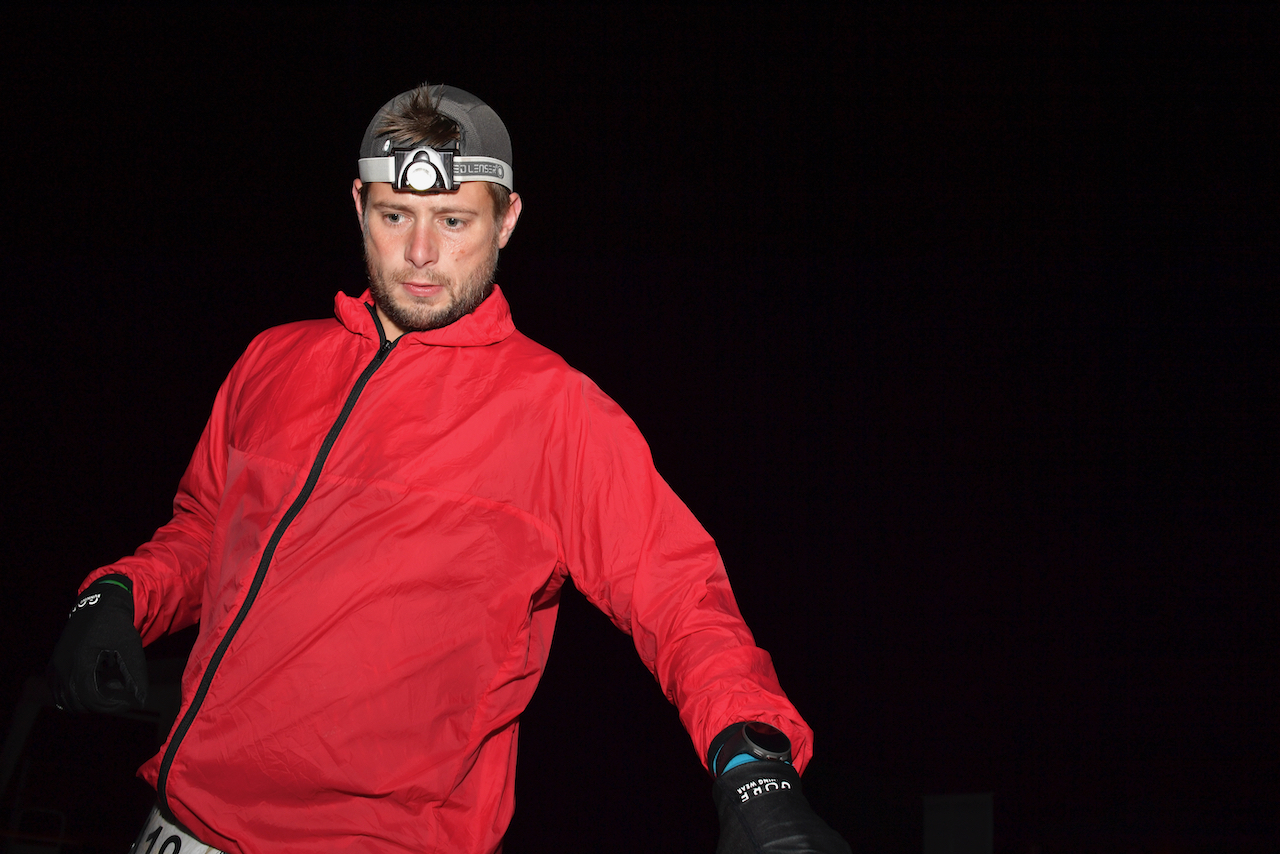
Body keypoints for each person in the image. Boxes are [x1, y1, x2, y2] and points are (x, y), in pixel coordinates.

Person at [47, 83, 850, 854]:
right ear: (359, 207)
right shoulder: (272, 361)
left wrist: (754, 770)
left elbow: (682, 602)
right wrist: (118, 594)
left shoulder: (554, 411)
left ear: (508, 221)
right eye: (397, 216)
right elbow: (207, 535)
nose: (422, 254)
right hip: (176, 825)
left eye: (455, 221)